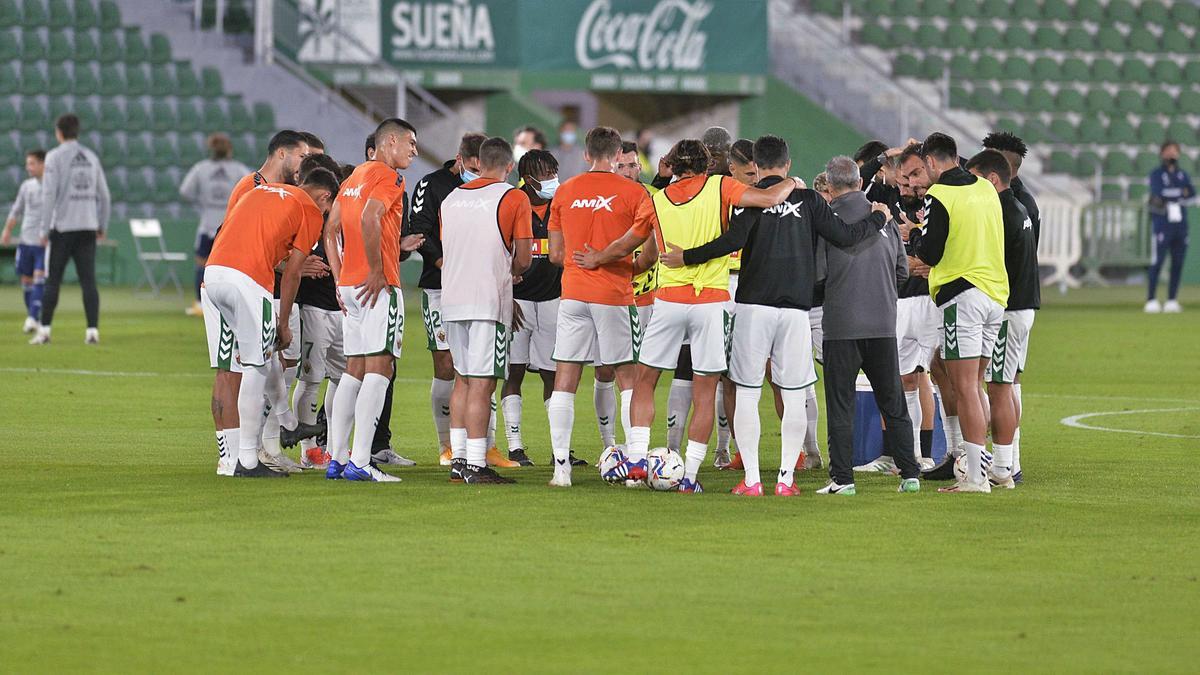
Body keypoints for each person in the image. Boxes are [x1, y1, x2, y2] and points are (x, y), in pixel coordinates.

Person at [657, 138, 889, 496]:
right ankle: (785, 480)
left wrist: (685, 257)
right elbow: (846, 237)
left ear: (757, 164)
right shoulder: (810, 200)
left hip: (753, 307)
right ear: (787, 162)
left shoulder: (749, 200)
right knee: (794, 394)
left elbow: (728, 242)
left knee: (747, 394)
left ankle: (751, 480)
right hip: (796, 310)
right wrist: (878, 217)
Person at [578, 138, 800, 493]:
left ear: (673, 166)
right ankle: (690, 478)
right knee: (704, 390)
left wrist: (598, 258)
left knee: (646, 380)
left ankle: (636, 459)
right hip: (710, 302)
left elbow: (630, 243)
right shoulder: (721, 186)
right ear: (706, 164)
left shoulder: (657, 200)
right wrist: (790, 181)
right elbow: (770, 199)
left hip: (668, 300)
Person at [203, 168, 338, 477]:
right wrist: (285, 323)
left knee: (263, 357)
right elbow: (293, 271)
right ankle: (248, 460)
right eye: (327, 209)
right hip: (249, 279)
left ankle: (289, 424)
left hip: (213, 276)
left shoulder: (260, 191)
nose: (325, 216)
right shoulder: (308, 209)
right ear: (324, 196)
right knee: (256, 366)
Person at [543, 126, 655, 488]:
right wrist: (632, 266)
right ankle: (634, 467)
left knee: (566, 378)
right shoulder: (635, 192)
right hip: (614, 294)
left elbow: (557, 255)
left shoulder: (565, 191)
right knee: (627, 378)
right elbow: (647, 247)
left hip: (573, 292)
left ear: (587, 154)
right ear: (617, 153)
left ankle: (561, 470)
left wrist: (581, 261)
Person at [898, 132, 1009, 494]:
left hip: (963, 296)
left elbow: (929, 252)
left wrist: (913, 233)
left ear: (931, 161)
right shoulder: (985, 188)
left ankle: (976, 477)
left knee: (965, 387)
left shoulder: (939, 194)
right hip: (995, 294)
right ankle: (994, 468)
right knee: (973, 384)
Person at [322, 118, 424, 483]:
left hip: (349, 285)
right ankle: (361, 462)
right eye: (411, 143)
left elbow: (330, 228)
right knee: (381, 370)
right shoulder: (389, 177)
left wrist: (339, 276)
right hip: (377, 286)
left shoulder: (353, 178)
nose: (414, 150)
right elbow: (371, 217)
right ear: (390, 142)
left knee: (354, 370)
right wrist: (379, 269)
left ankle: (336, 457)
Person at [816, 156, 920, 495]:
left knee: (841, 403)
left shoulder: (826, 221)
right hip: (882, 323)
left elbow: (818, 276)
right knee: (893, 401)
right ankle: (910, 473)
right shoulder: (886, 219)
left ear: (829, 187)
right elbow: (902, 272)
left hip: (841, 325)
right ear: (860, 183)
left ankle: (843, 480)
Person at [407, 133, 510, 467]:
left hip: (479, 287)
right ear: (461, 159)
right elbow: (419, 229)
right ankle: (448, 446)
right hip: (442, 286)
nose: (479, 175)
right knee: (449, 365)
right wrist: (442, 263)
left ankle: (486, 445)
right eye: (473, 168)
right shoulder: (432, 186)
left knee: (482, 370)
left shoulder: (493, 190)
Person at [441, 136, 533, 484]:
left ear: (477, 162)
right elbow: (522, 259)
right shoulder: (512, 196)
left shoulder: (451, 199)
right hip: (487, 302)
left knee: (463, 380)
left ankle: (459, 459)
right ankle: (477, 464)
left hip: (451, 300)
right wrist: (513, 272)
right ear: (509, 166)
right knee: (482, 384)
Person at [966, 149, 1039, 488]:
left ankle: (1002, 469)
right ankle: (1008, 465)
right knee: (1004, 386)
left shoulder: (1000, 212)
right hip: (1024, 308)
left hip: (1009, 310)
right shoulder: (1021, 208)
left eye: (976, 179)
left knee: (998, 387)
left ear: (993, 179)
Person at [501, 149, 562, 466]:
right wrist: (506, 296)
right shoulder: (512, 202)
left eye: (554, 172)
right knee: (514, 372)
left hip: (553, 300)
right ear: (528, 178)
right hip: (518, 302)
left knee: (554, 376)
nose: (553, 179)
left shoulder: (560, 204)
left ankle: (558, 450)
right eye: (546, 174)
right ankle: (515, 447)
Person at [30, 114, 110, 346]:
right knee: (88, 281)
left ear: (59, 132)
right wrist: (102, 225)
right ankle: (92, 331)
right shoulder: (91, 157)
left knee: (53, 280)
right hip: (87, 228)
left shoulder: (54, 157)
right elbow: (104, 196)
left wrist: (44, 229)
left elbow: (49, 194)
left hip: (63, 228)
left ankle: (44, 330)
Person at [291, 153, 347, 471]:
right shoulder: (304, 216)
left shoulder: (335, 215)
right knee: (312, 379)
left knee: (343, 378)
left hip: (340, 307)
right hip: (313, 306)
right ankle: (308, 447)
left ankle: (335, 445)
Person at [179, 134, 251, 317]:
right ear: (229, 150)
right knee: (232, 266)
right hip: (230, 223)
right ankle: (231, 304)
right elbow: (253, 188)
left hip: (207, 223)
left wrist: (201, 202)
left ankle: (200, 304)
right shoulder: (238, 169)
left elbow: (185, 191)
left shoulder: (201, 168)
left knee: (202, 264)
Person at [1145, 141, 1193, 313]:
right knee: (1157, 261)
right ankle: (1151, 299)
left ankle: (1172, 299)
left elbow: (1191, 192)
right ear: (1162, 153)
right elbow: (1158, 193)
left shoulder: (1183, 175)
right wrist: (1179, 193)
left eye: (1175, 151)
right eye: (1168, 151)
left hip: (1180, 223)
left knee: (1178, 262)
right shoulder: (1157, 174)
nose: (1172, 155)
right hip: (1162, 222)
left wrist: (1174, 194)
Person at [2, 149, 46, 334]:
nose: (28, 167)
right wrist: (7, 229)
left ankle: (32, 317)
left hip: (44, 242)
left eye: (32, 163)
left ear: (43, 164)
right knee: (26, 280)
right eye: (28, 163)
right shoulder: (26, 186)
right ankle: (34, 316)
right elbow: (16, 209)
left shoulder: (53, 186)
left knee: (39, 278)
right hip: (26, 240)